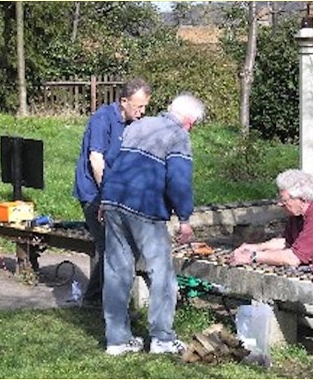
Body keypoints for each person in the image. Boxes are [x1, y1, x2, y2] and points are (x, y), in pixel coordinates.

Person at [100, 93, 206, 356]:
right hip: (144, 205)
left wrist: (105, 199)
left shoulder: (138, 125)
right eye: (194, 123)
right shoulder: (178, 135)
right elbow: (179, 181)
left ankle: (117, 340)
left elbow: (112, 163)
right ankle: (162, 338)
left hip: (114, 199)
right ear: (189, 120)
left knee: (116, 270)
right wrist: (184, 218)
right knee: (162, 274)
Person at [228, 168, 313, 344]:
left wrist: (253, 257)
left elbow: (293, 257)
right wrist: (253, 247)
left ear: (302, 199)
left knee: (276, 290)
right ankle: (299, 322)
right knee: (269, 286)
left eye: (284, 200)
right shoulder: (299, 212)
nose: (280, 204)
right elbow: (287, 242)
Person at [72, 78, 152, 308]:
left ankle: (98, 297)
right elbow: (96, 161)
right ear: (123, 101)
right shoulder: (102, 120)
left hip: (118, 193)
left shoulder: (134, 124)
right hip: (94, 193)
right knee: (110, 247)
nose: (142, 111)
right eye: (139, 106)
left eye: (145, 106)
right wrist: (106, 198)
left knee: (120, 246)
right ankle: (104, 302)